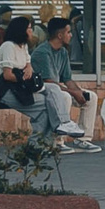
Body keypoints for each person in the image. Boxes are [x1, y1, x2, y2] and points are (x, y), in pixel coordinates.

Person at [30, 18, 95, 153]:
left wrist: (78, 92)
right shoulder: (42, 52)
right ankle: (58, 142)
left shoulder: (63, 52)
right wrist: (73, 93)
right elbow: (48, 81)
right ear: (60, 35)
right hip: (42, 91)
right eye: (69, 32)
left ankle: (83, 140)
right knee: (64, 96)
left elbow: (67, 79)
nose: (71, 35)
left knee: (91, 97)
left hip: (56, 89)